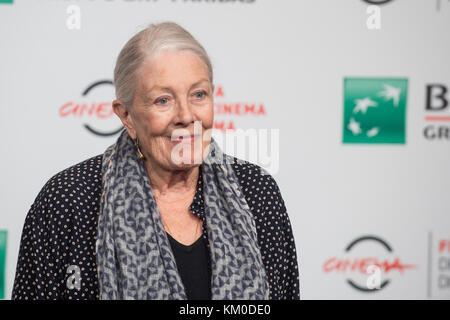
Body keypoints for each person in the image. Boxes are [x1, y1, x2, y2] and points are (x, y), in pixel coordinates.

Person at [12, 21, 299, 300]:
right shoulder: (68, 200)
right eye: (163, 100)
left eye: (199, 94)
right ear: (126, 116)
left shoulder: (257, 193)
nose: (186, 116)